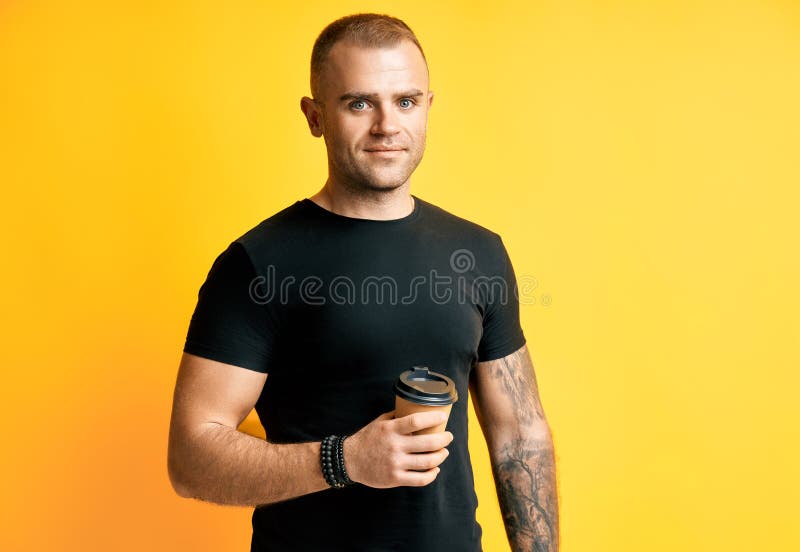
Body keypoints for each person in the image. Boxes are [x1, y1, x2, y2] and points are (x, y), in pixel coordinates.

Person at [167, 12, 559, 552]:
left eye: (405, 101)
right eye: (359, 103)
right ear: (314, 116)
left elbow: (521, 435)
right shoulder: (258, 265)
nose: (386, 126)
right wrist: (344, 460)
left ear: (427, 107)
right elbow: (190, 459)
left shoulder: (478, 253)